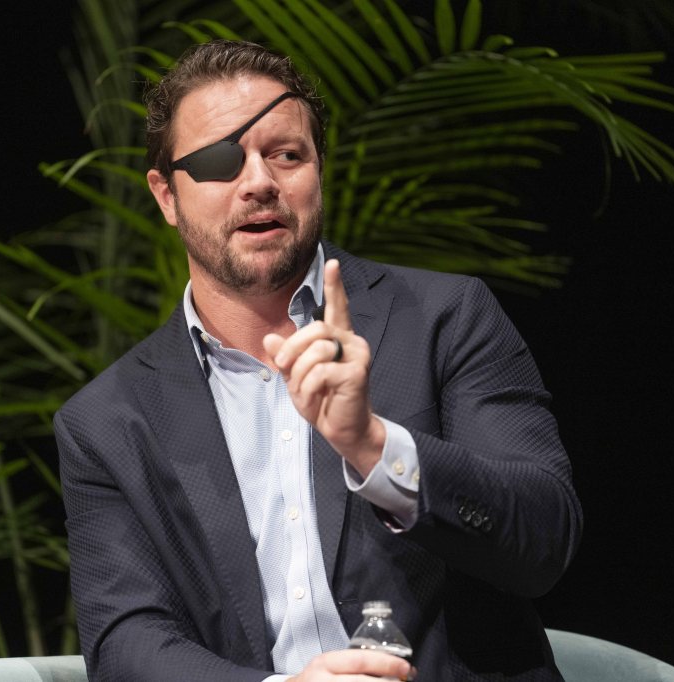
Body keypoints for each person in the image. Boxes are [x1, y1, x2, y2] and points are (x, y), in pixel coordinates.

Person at [55, 40, 583, 682]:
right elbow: (125, 643)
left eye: (286, 155)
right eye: (221, 161)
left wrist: (375, 445)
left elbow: (543, 541)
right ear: (166, 196)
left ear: (318, 171)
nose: (258, 183)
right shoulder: (107, 423)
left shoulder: (446, 317)